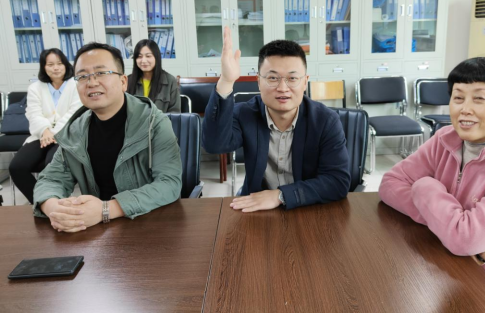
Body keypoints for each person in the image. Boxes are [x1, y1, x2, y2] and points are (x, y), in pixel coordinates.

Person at [379, 57, 485, 313]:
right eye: (458, 98)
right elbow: (390, 184)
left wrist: (425, 186)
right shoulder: (445, 138)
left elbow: (465, 239)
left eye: (479, 99)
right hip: (451, 270)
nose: (464, 109)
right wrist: (450, 227)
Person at [33, 42, 182, 233]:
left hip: (149, 224)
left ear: (123, 82)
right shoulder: (75, 130)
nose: (92, 82)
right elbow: (51, 179)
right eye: (82, 76)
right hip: (96, 230)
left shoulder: (154, 122)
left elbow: (169, 183)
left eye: (101, 73)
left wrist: (106, 210)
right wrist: (55, 209)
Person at [202, 26, 350, 212]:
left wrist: (281, 195)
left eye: (292, 78)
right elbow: (214, 145)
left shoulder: (325, 120)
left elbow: (337, 181)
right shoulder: (245, 113)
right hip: (257, 208)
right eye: (272, 78)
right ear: (258, 81)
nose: (282, 88)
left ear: (305, 82)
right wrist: (226, 81)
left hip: (308, 209)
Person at [9, 48, 81, 204]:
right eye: (50, 64)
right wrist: (45, 131)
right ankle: (41, 203)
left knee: (52, 165)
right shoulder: (35, 88)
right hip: (40, 135)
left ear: (66, 65)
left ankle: (57, 202)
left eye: (59, 63)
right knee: (17, 167)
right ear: (43, 67)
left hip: (66, 135)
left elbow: (74, 113)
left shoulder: (76, 85)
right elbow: (33, 113)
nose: (55, 68)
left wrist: (53, 133)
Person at [127, 39, 180, 113]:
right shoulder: (128, 81)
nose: (143, 61)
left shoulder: (170, 80)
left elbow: (174, 112)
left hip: (161, 121)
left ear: (156, 57)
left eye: (148, 56)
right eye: (139, 56)